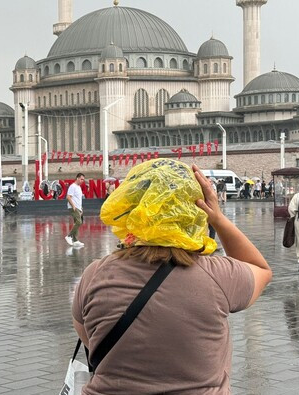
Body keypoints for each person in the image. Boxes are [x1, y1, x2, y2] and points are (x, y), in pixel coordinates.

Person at [72, 160, 272, 394]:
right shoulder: (219, 276)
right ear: (195, 210)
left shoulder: (95, 275)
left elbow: (88, 337)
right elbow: (260, 269)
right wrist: (218, 218)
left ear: (130, 207)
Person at [65, 173, 85, 248]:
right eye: (81, 179)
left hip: (78, 207)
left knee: (76, 222)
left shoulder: (78, 187)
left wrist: (81, 208)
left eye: (83, 179)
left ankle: (75, 240)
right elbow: (68, 197)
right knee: (79, 222)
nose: (82, 181)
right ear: (77, 178)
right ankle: (69, 236)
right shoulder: (72, 186)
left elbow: (78, 199)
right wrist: (73, 206)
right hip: (74, 207)